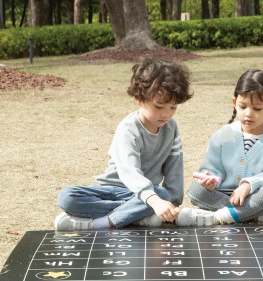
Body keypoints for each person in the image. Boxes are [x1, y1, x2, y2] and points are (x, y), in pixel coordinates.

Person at [54, 57, 193, 230]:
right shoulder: (128, 129)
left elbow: (174, 169)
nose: (166, 114)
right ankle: (131, 216)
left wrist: (171, 205)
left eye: (173, 107)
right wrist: (154, 202)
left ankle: (109, 220)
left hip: (148, 195)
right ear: (138, 98)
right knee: (67, 197)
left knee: (163, 193)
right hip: (113, 192)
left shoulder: (171, 127)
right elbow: (129, 171)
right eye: (159, 106)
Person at [176, 68, 263, 227]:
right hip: (222, 194)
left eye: (257, 109)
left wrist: (247, 185)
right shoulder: (223, 134)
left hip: (255, 195)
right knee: (195, 190)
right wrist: (209, 178)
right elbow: (212, 167)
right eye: (243, 106)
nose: (249, 113)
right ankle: (254, 215)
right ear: (234, 103)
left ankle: (216, 217)